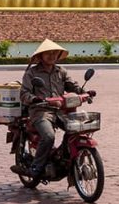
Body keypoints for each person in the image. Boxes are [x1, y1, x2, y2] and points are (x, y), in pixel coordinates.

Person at [12, 39, 89, 179]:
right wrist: (34, 99)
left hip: (60, 110)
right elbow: (24, 93)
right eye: (48, 53)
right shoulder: (32, 73)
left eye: (54, 53)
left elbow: (72, 85)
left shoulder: (61, 71)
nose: (51, 56)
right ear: (41, 56)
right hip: (40, 111)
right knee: (48, 136)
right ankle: (36, 168)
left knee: (76, 130)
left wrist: (84, 92)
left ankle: (63, 159)